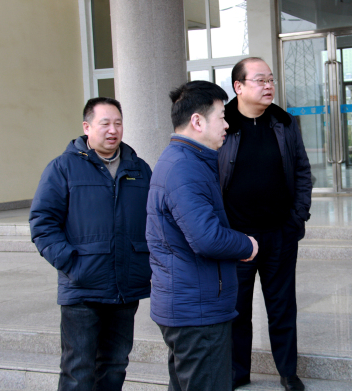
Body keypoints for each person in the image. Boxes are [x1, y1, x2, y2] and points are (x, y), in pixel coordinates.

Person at [29, 97, 152, 391]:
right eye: (105, 123)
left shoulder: (139, 169)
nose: (113, 130)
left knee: (115, 365)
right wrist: (71, 264)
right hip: (82, 288)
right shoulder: (63, 167)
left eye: (118, 123)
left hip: (125, 288)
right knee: (78, 370)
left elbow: (155, 221)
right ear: (87, 127)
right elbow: (43, 223)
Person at [147, 81, 259, 391]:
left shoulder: (186, 160)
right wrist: (247, 245)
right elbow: (206, 237)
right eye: (221, 116)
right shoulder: (184, 167)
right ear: (197, 121)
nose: (227, 124)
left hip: (190, 304)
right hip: (196, 311)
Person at [219, 57, 312, 391]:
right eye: (260, 80)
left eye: (270, 80)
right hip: (236, 239)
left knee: (282, 307)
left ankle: (288, 372)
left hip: (279, 234)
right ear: (239, 87)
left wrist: (297, 217)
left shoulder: (284, 123)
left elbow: (302, 170)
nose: (268, 86)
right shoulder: (222, 123)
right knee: (236, 309)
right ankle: (237, 372)